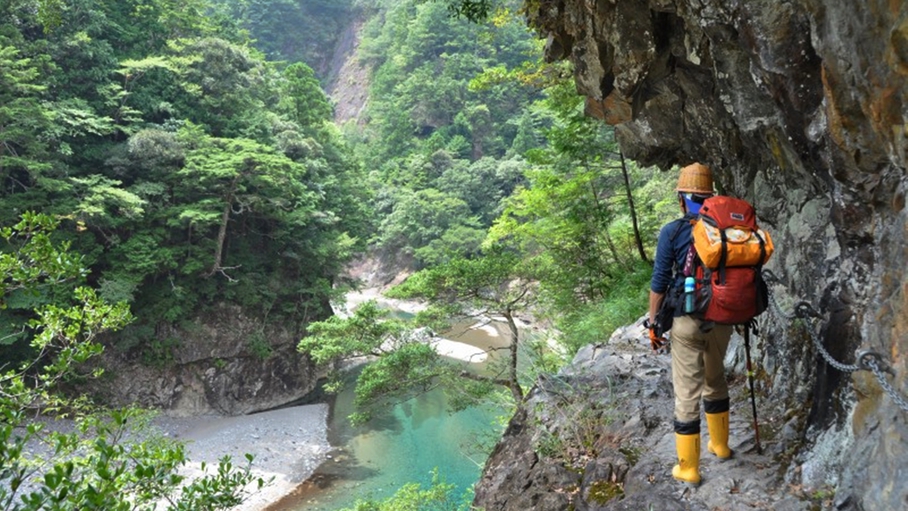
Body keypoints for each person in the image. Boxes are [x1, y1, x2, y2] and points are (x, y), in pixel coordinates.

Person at [647, 162, 734, 487]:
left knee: (687, 393)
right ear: (709, 197)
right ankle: (721, 446)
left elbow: (658, 282)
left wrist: (654, 324)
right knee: (715, 378)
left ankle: (689, 467)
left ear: (682, 198)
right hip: (722, 319)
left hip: (686, 320)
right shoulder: (723, 229)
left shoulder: (673, 231)